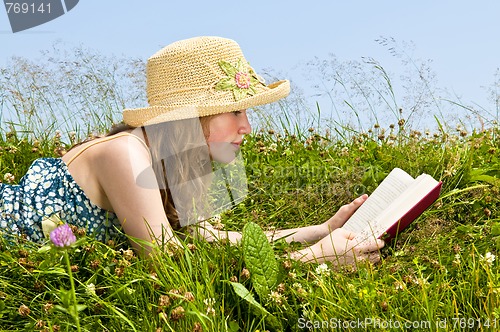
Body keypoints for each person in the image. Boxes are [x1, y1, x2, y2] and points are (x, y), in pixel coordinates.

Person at [0, 36, 384, 265]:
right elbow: (171, 267)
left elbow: (209, 240)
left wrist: (319, 231)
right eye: (234, 110)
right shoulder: (126, 154)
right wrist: (313, 261)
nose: (246, 126)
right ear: (188, 117)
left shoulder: (173, 162)